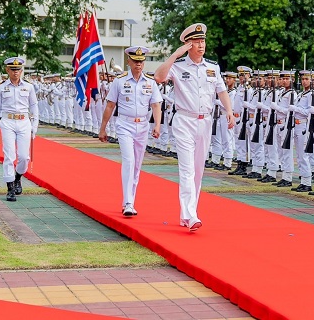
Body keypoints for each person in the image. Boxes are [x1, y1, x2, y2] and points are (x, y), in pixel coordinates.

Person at [154, 23, 236, 231]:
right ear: (188, 44)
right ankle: (191, 215)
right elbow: (159, 77)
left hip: (205, 121)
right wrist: (176, 54)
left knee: (198, 170)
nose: (201, 45)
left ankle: (188, 213)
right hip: (184, 120)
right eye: (197, 42)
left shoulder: (212, 67)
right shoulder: (178, 66)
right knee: (187, 169)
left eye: (203, 41)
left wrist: (228, 110)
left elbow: (221, 91)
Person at [99, 46, 163, 217]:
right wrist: (103, 128)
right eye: (135, 61)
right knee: (129, 160)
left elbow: (156, 105)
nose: (138, 64)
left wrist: (157, 125)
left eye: (141, 61)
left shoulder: (150, 82)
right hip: (125, 124)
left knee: (137, 164)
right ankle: (128, 202)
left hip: (142, 125)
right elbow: (110, 105)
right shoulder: (119, 81)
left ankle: (130, 201)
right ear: (129, 62)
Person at [0, 57, 39, 201]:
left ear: (21, 70)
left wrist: (34, 126)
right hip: (7, 122)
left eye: (18, 69)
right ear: (7, 70)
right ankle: (10, 188)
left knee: (24, 157)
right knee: (9, 156)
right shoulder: (0, 87)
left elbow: (34, 106)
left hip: (24, 122)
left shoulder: (29, 87)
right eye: (12, 69)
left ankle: (18, 177)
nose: (15, 72)